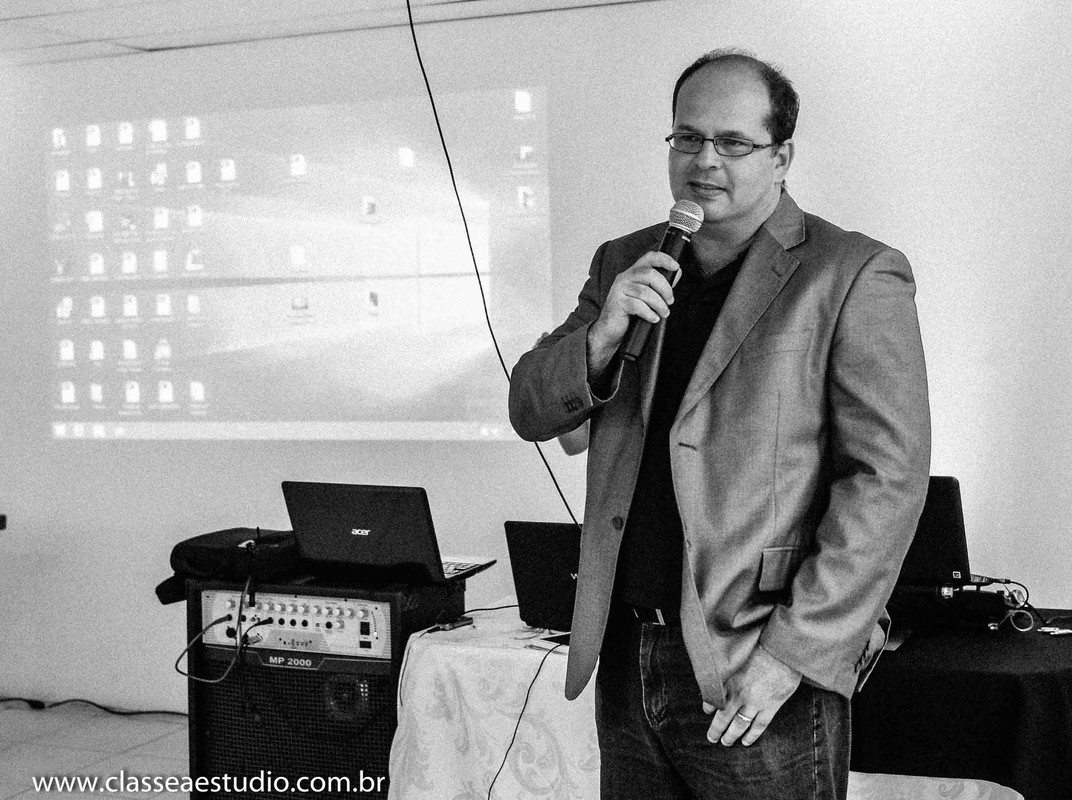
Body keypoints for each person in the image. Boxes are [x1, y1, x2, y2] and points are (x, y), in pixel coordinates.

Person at [508, 48, 931, 800]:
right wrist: (602, 337)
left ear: (782, 156)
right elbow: (530, 407)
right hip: (626, 649)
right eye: (686, 138)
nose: (704, 160)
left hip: (756, 658)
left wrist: (795, 655)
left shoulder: (853, 273)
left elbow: (886, 481)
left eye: (733, 142)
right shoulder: (625, 261)